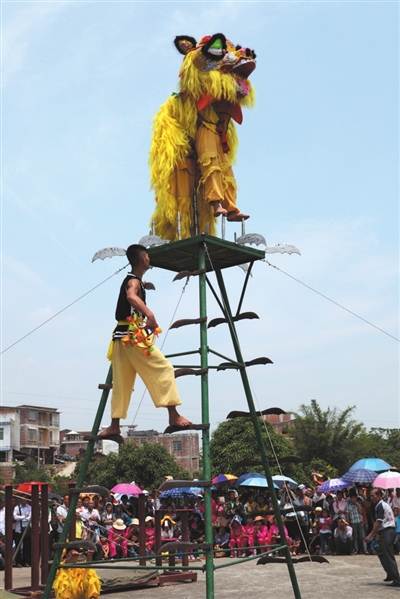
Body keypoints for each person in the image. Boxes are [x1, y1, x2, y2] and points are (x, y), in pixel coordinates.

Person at [100, 244, 191, 437]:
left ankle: (115, 425)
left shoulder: (134, 280)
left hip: (120, 338)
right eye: (148, 256)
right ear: (143, 259)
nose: (149, 259)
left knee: (121, 382)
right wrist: (150, 315)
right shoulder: (133, 281)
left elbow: (132, 294)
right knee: (164, 368)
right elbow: (131, 296)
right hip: (133, 337)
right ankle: (173, 415)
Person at [365, 487, 400, 587]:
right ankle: (390, 573)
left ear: (379, 496)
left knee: (388, 555)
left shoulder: (380, 506)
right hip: (387, 530)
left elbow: (378, 523)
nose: (372, 498)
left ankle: (397, 579)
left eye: (373, 495)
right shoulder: (383, 505)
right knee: (381, 551)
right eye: (371, 496)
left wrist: (370, 535)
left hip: (387, 531)